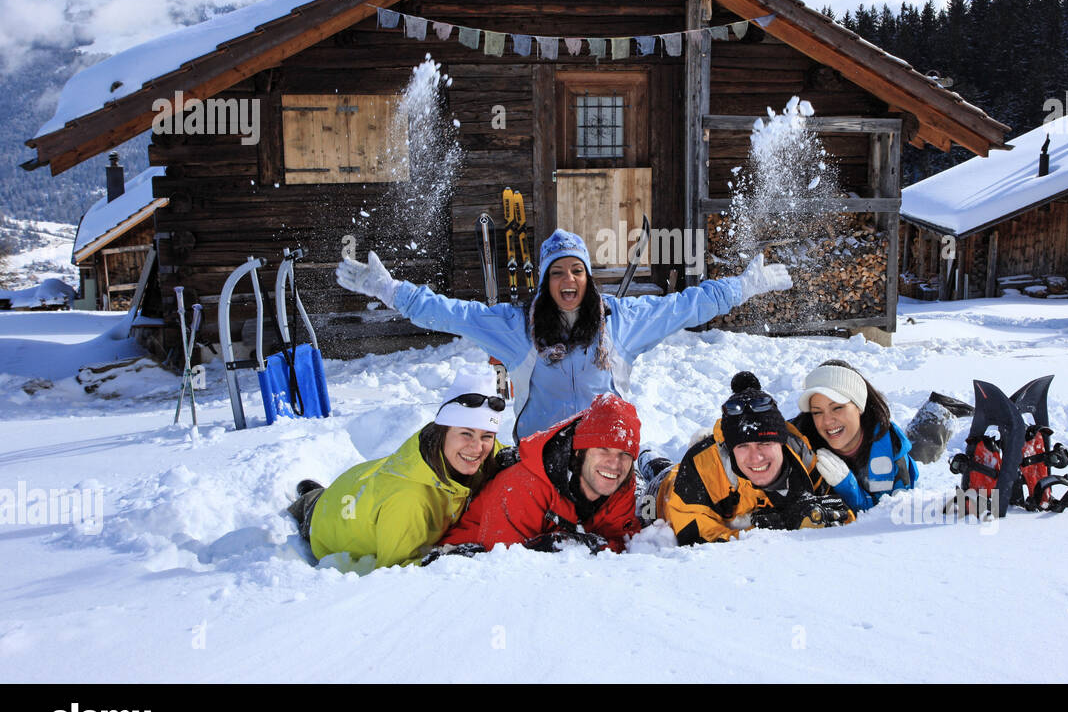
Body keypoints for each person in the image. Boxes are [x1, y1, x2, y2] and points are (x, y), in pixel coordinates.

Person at [336, 229, 792, 440]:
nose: (568, 279)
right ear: (545, 282)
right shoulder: (519, 327)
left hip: (607, 447)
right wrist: (390, 290)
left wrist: (742, 287)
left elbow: (687, 305)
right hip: (540, 449)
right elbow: (455, 314)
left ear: (589, 278)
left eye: (577, 270)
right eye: (558, 272)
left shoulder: (620, 320)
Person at [286, 368, 508, 568]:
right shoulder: (409, 500)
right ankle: (310, 500)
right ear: (442, 433)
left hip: (363, 483)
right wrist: (448, 559)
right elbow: (396, 569)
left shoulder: (464, 451)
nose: (477, 447)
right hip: (329, 519)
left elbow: (502, 450)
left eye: (486, 436)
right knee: (313, 506)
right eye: (466, 434)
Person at [644, 372, 852, 546]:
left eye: (765, 444)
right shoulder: (700, 466)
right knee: (656, 478)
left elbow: (838, 512)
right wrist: (773, 527)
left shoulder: (803, 458)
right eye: (743, 446)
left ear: (782, 442)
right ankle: (647, 459)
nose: (756, 457)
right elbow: (694, 537)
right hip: (665, 492)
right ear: (730, 448)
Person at [433, 392, 642, 555]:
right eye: (603, 449)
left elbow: (623, 544)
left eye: (624, 454)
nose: (614, 464)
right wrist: (557, 549)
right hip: (460, 566)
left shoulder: (620, 481)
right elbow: (501, 563)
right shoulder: (523, 484)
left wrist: (586, 547)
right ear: (579, 451)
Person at [789, 360, 917, 512]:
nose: (827, 421)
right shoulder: (797, 445)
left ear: (859, 406)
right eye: (817, 412)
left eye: (837, 408)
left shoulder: (893, 450)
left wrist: (847, 486)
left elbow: (888, 518)